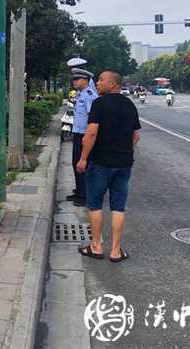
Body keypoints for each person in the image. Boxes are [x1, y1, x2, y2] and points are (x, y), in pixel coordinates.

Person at [76, 70, 141, 263]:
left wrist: (83, 158)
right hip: (124, 164)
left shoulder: (99, 104)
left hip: (100, 163)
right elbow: (136, 135)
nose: (97, 82)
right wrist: (125, 151)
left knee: (95, 205)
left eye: (101, 80)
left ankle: (96, 247)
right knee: (118, 207)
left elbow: (91, 133)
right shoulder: (130, 105)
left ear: (113, 84)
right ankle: (115, 250)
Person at [67, 67, 98, 207]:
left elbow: (93, 118)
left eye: (76, 79)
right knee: (76, 163)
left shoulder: (89, 95)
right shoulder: (81, 94)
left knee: (83, 164)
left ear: (85, 80)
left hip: (85, 135)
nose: (74, 81)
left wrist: (88, 137)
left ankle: (85, 195)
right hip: (78, 133)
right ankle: (79, 191)